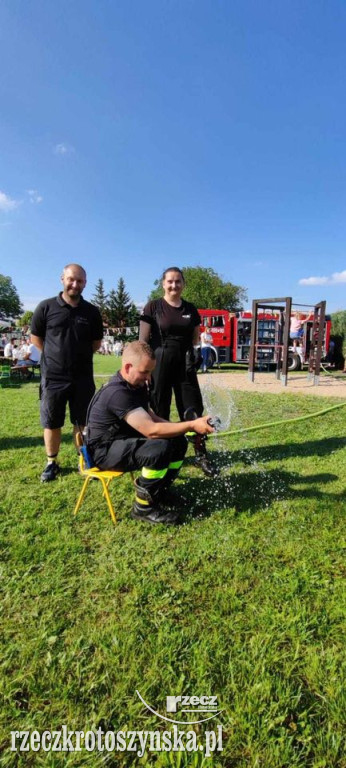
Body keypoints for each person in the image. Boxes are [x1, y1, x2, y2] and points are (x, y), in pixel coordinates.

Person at [86, 341, 214, 525]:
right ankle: (143, 508)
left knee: (178, 441)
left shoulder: (136, 385)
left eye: (150, 372)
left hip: (123, 442)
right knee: (158, 448)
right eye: (145, 372)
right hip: (103, 451)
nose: (148, 378)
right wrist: (192, 425)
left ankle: (159, 492)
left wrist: (187, 427)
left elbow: (151, 417)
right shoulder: (117, 393)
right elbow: (151, 430)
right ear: (128, 367)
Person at [139, 266, 217, 476]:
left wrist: (192, 353)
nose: (174, 285)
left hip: (184, 364)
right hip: (159, 364)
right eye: (170, 281)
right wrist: (144, 370)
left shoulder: (190, 309)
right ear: (163, 284)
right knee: (159, 410)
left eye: (178, 281)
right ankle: (159, 455)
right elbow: (143, 342)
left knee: (192, 410)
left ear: (183, 284)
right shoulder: (153, 307)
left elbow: (194, 337)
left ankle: (201, 455)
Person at [30, 264, 103, 482]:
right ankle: (52, 462)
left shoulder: (92, 312)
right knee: (52, 421)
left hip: (82, 377)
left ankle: (84, 459)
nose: (75, 284)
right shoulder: (46, 307)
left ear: (85, 283)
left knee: (82, 422)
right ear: (62, 278)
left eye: (80, 281)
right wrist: (56, 357)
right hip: (53, 377)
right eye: (71, 279)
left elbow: (96, 343)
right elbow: (36, 338)